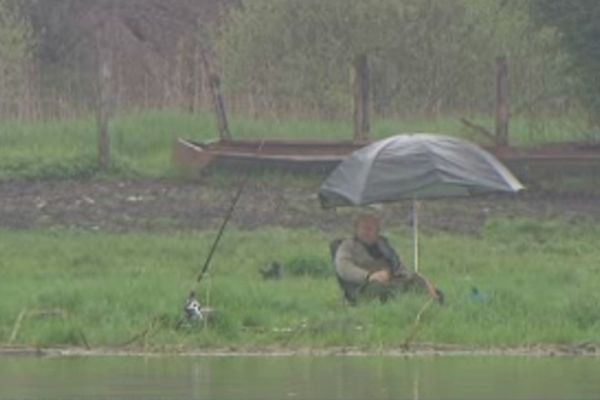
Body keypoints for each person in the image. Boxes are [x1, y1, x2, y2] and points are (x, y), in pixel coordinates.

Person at [331, 214, 443, 305]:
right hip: (365, 287)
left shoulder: (383, 245)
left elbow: (399, 268)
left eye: (371, 229)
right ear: (356, 230)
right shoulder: (348, 246)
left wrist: (419, 278)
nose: (368, 232)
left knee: (424, 286)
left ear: (377, 231)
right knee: (390, 290)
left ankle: (430, 304)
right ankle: (413, 303)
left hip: (391, 281)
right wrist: (368, 276)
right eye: (364, 228)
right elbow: (343, 268)